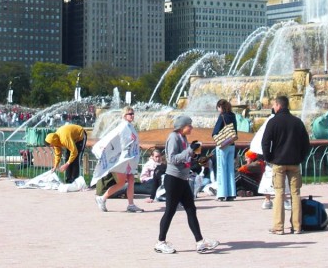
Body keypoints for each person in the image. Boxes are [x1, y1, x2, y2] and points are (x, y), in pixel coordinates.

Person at [154, 115, 219, 255]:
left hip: (182, 179)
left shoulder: (182, 138)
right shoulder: (173, 137)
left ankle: (200, 242)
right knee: (170, 211)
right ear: (182, 126)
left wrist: (195, 155)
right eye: (189, 125)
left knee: (191, 209)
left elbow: (184, 156)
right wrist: (189, 150)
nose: (192, 127)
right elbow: (171, 159)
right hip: (173, 179)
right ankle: (160, 242)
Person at [261, 95, 311, 235]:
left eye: (274, 105)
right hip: (294, 163)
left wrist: (269, 157)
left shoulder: (273, 122)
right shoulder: (297, 122)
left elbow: (265, 142)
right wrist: (301, 157)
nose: (273, 107)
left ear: (278, 105)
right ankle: (297, 226)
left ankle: (279, 227)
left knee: (279, 194)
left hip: (278, 162)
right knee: (295, 194)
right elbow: (306, 144)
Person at [94, 107, 144, 213]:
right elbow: (113, 139)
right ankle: (102, 198)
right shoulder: (123, 127)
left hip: (128, 159)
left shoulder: (129, 127)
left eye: (133, 113)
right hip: (122, 160)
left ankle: (131, 204)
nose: (132, 115)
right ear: (124, 115)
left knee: (130, 180)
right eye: (130, 114)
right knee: (121, 183)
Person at [212, 99, 238, 202]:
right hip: (232, 144)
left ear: (220, 107)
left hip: (222, 145)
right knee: (230, 169)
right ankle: (231, 193)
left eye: (218, 108)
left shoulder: (222, 116)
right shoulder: (233, 115)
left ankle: (221, 194)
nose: (218, 110)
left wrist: (215, 136)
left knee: (221, 169)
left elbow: (216, 131)